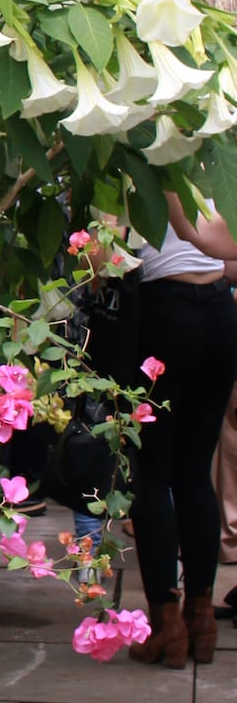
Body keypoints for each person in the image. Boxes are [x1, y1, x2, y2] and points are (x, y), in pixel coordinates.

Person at [128, 192, 237, 667]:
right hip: (218, 312)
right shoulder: (219, 165)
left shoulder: (145, 165)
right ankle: (201, 618)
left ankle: (166, 623)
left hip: (162, 311)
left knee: (152, 475)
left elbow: (105, 257)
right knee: (193, 473)